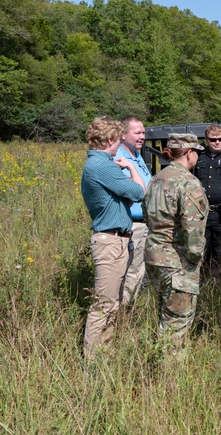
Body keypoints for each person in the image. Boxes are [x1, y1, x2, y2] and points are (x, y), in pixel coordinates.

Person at [80, 117, 146, 357]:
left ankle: (104, 352)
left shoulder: (101, 165)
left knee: (112, 302)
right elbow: (138, 192)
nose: (120, 146)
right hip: (110, 240)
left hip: (116, 238)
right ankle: (94, 359)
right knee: (105, 304)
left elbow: (124, 198)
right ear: (109, 140)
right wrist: (130, 168)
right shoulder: (102, 166)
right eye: (118, 141)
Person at [143, 133, 209, 356]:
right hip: (176, 261)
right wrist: (195, 257)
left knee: (163, 316)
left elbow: (147, 215)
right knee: (177, 323)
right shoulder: (188, 183)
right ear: (189, 154)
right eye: (197, 153)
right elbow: (194, 230)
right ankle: (169, 378)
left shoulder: (156, 179)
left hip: (154, 255)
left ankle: (158, 363)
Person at [192, 124, 221, 278]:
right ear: (206, 140)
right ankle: (203, 286)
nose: (218, 142)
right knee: (200, 252)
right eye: (213, 140)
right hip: (202, 213)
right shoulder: (198, 156)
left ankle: (219, 286)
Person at [115, 115, 152, 307]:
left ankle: (129, 309)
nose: (142, 137)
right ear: (122, 134)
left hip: (145, 225)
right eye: (137, 132)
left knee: (140, 271)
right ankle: (123, 313)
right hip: (132, 225)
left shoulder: (137, 156)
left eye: (143, 132)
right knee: (130, 272)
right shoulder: (119, 158)